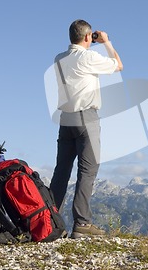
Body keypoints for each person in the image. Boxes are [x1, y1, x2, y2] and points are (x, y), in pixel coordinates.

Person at [50, 19, 123, 237]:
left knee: (61, 171)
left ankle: (50, 221)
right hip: (86, 117)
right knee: (87, 170)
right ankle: (82, 223)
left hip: (65, 119)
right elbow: (118, 65)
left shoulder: (59, 58)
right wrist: (107, 43)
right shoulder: (88, 57)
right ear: (87, 37)